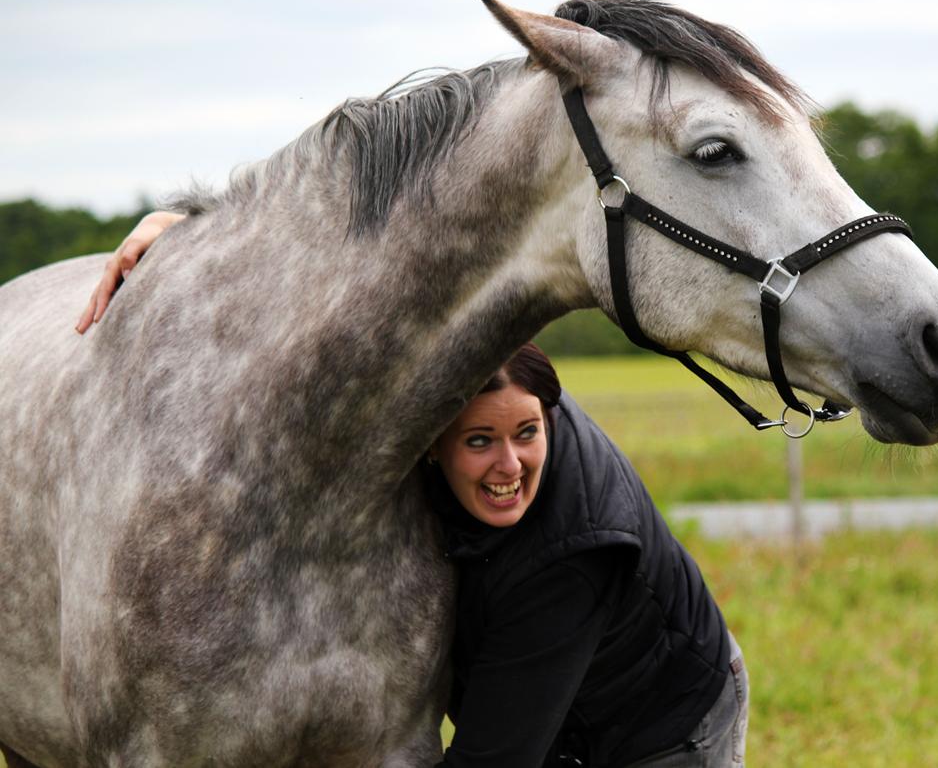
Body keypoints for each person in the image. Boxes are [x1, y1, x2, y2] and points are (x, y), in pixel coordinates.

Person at [77, 216, 749, 767]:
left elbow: (492, 758)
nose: (509, 464)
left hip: (665, 730)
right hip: (556, 715)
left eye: (527, 432)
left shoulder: (570, 554)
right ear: (429, 441)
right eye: (480, 440)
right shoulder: (414, 409)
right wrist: (190, 235)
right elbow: (326, 292)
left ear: (549, 413)